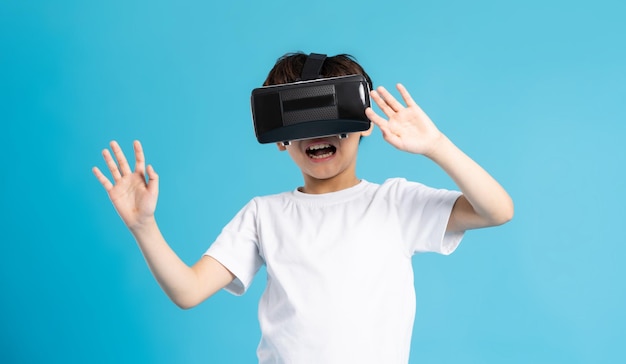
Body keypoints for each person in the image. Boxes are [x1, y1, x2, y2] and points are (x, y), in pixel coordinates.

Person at [93, 53, 514, 363]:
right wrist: (144, 226)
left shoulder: (395, 202)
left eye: (332, 117)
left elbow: (496, 211)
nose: (319, 133)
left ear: (362, 125)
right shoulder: (263, 214)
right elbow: (188, 291)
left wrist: (437, 147)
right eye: (302, 120)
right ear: (280, 135)